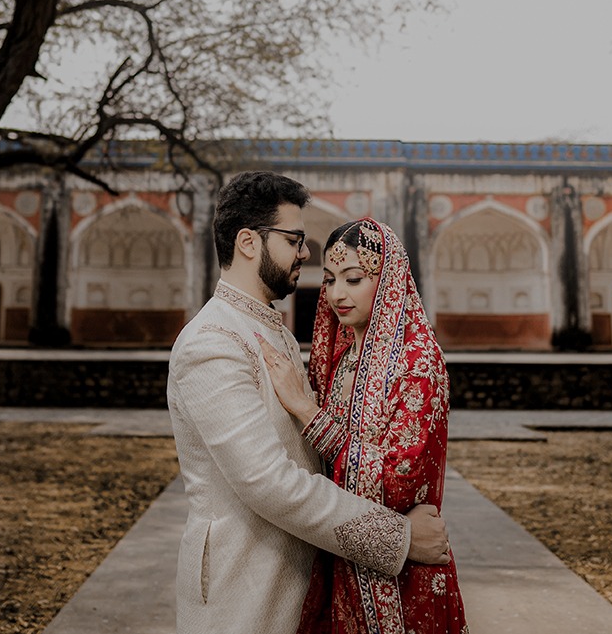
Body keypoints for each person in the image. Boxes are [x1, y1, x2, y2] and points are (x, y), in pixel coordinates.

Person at [167, 172, 450, 634]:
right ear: (248, 242)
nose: (305, 252)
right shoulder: (212, 342)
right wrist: (399, 538)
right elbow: (268, 482)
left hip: (303, 582)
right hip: (244, 589)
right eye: (294, 240)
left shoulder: (271, 330)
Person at [260, 217, 468, 634]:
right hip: (342, 556)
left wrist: (306, 411)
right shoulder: (341, 360)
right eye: (330, 279)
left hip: (402, 579)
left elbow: (398, 483)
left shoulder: (417, 362)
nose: (337, 293)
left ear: (387, 279)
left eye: (353, 279)